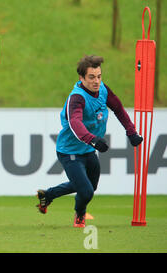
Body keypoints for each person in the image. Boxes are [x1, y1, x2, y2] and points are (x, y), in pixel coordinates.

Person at [36, 55, 143, 227]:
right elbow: (75, 123)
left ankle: (47, 195)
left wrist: (131, 132)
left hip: (88, 150)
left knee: (89, 187)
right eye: (91, 77)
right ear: (81, 78)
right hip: (69, 151)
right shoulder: (77, 98)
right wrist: (93, 140)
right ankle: (80, 214)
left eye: (99, 76)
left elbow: (119, 109)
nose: (96, 81)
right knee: (86, 191)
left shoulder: (102, 90)